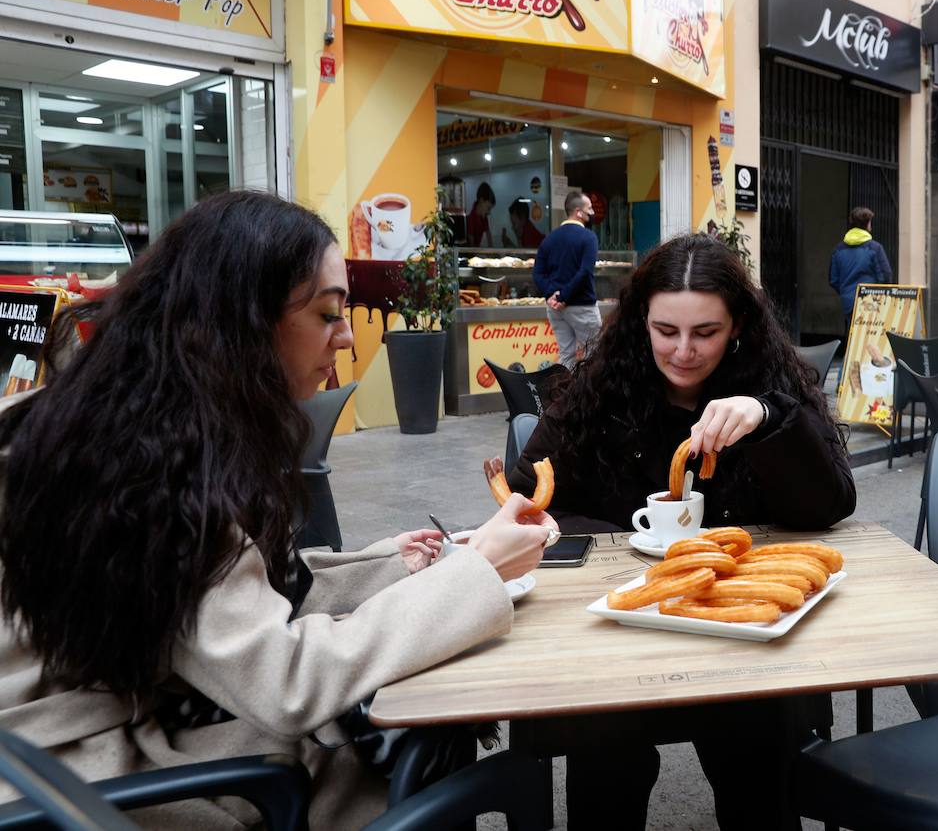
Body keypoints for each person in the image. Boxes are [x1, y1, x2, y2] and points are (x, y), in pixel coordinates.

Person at [0, 191, 553, 829]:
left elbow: (222, 592)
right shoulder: (155, 471)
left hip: (77, 747)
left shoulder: (123, 424)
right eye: (326, 314)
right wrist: (476, 568)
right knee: (431, 739)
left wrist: (396, 565)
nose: (346, 338)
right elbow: (282, 680)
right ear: (243, 322)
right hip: (84, 787)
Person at [508, 233, 855, 829]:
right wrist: (629, 544)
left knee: (758, 758)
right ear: (642, 321)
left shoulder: (770, 384)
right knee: (604, 754)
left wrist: (770, 416)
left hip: (743, 630)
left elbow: (831, 504)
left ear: (738, 325)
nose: (684, 352)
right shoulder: (604, 386)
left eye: (706, 333)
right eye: (666, 331)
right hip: (624, 626)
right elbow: (528, 499)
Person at [533, 191, 601, 368]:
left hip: (555, 310)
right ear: (579, 212)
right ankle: (590, 395)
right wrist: (563, 296)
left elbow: (538, 273)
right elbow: (585, 272)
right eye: (590, 208)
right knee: (593, 356)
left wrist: (552, 295)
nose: (592, 212)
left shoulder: (548, 239)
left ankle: (567, 393)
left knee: (566, 356)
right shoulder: (589, 238)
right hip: (582, 307)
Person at [828, 206, 892, 335]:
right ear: (868, 225)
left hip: (848, 303)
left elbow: (833, 279)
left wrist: (846, 292)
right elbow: (885, 276)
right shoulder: (875, 248)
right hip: (872, 302)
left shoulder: (838, 250)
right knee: (870, 338)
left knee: (854, 336)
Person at [465, 181, 495, 247]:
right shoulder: (471, 219)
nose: (489, 212)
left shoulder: (483, 218)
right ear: (481, 201)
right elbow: (472, 247)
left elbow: (489, 236)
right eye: (488, 208)